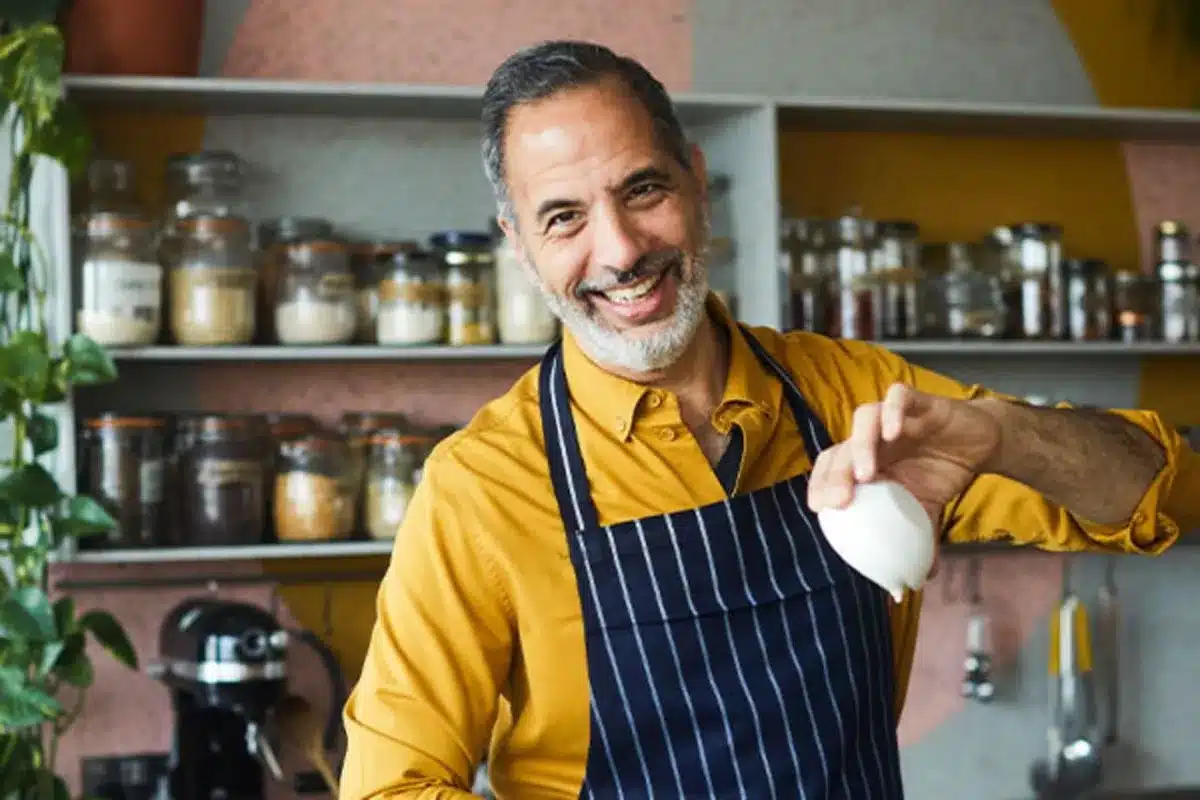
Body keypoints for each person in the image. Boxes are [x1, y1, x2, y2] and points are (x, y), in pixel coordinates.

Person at [340, 40, 1198, 799]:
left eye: (643, 189)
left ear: (697, 180)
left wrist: (1006, 434)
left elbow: (1166, 496)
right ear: (519, 246)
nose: (622, 249)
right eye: (564, 217)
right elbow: (392, 785)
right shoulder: (482, 487)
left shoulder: (855, 396)